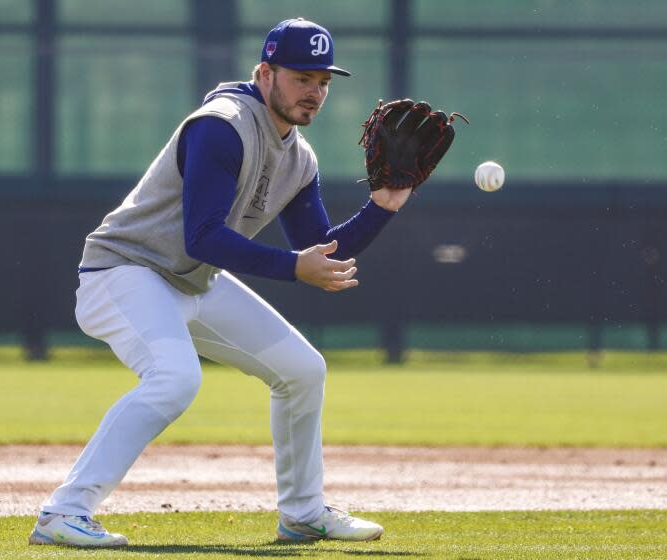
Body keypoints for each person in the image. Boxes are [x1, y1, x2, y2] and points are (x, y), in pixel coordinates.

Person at [29, 18, 408, 547]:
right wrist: (293, 265)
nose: (315, 92)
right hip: (124, 270)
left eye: (323, 80)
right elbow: (204, 236)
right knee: (175, 378)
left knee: (303, 370)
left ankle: (302, 512)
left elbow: (322, 249)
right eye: (302, 77)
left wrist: (385, 203)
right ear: (265, 72)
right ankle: (63, 512)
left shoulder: (298, 157)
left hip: (191, 283)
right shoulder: (222, 125)